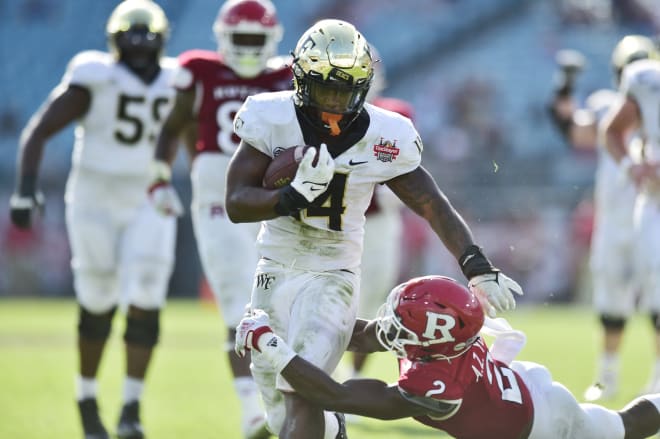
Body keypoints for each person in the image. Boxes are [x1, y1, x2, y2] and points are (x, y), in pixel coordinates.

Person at [225, 18, 523, 439]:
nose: (335, 103)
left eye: (346, 92)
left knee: (301, 390)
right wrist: (289, 197)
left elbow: (429, 203)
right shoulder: (270, 116)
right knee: (279, 411)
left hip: (334, 273)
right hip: (274, 265)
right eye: (326, 89)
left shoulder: (387, 134)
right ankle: (335, 431)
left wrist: (475, 264)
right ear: (301, 80)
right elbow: (236, 204)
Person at [9, 1, 177, 438]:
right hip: (94, 199)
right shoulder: (94, 75)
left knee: (146, 293)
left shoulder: (179, 80)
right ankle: (86, 398)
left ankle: (131, 408)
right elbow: (39, 129)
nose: (139, 49)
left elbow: (202, 141)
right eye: (132, 40)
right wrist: (25, 188)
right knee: (98, 298)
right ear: (115, 43)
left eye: (146, 40)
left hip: (148, 195)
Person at [236, 275, 660, 439]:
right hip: (521, 387)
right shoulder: (448, 337)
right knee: (618, 426)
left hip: (545, 426)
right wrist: (292, 323)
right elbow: (367, 336)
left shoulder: (434, 387)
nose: (390, 325)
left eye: (403, 322)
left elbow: (337, 395)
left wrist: (271, 346)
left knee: (623, 428)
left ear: (430, 341)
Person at [148, 0, 291, 437]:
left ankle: (289, 401)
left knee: (285, 308)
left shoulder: (286, 75)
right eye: (240, 39)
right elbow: (174, 127)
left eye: (254, 39)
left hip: (272, 200)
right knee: (238, 307)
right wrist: (159, 178)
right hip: (218, 201)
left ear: (270, 39)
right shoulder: (200, 69)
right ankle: (251, 411)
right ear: (223, 37)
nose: (247, 48)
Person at [549, 35, 657, 401]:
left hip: (653, 211)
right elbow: (574, 131)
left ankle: (657, 380)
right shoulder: (606, 105)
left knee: (658, 299)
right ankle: (607, 376)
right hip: (614, 220)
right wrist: (564, 84)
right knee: (610, 299)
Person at [347, 52, 414, 381]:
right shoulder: (323, 115)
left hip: (377, 222)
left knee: (373, 297)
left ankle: (355, 376)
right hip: (332, 220)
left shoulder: (395, 113)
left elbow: (412, 164)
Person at [603, 41, 660, 398]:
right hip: (654, 203)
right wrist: (632, 166)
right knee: (656, 288)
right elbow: (612, 131)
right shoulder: (646, 80)